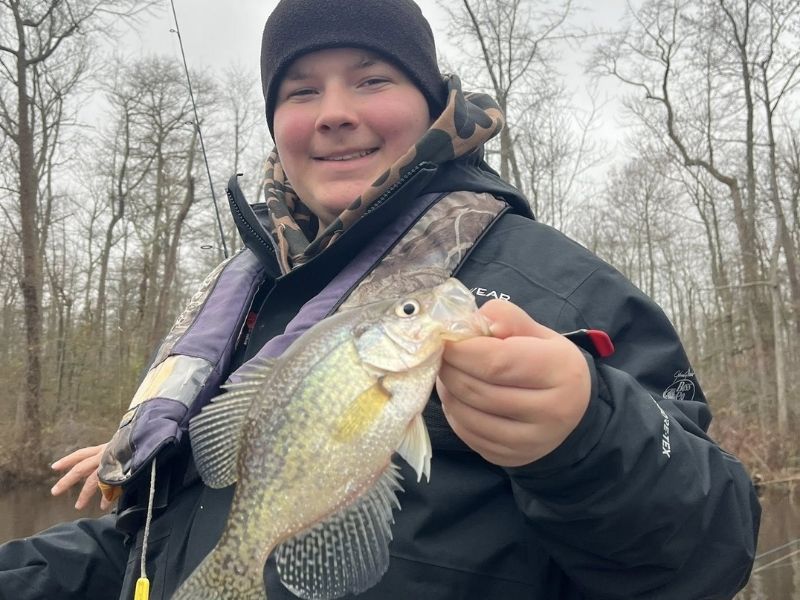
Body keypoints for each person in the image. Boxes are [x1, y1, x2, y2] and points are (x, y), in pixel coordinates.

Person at [0, 0, 760, 598]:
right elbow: (161, 545)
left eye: (371, 80)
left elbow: (708, 555)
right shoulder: (242, 303)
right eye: (302, 91)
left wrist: (585, 433)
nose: (333, 111)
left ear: (431, 104)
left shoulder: (557, 286)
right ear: (277, 126)